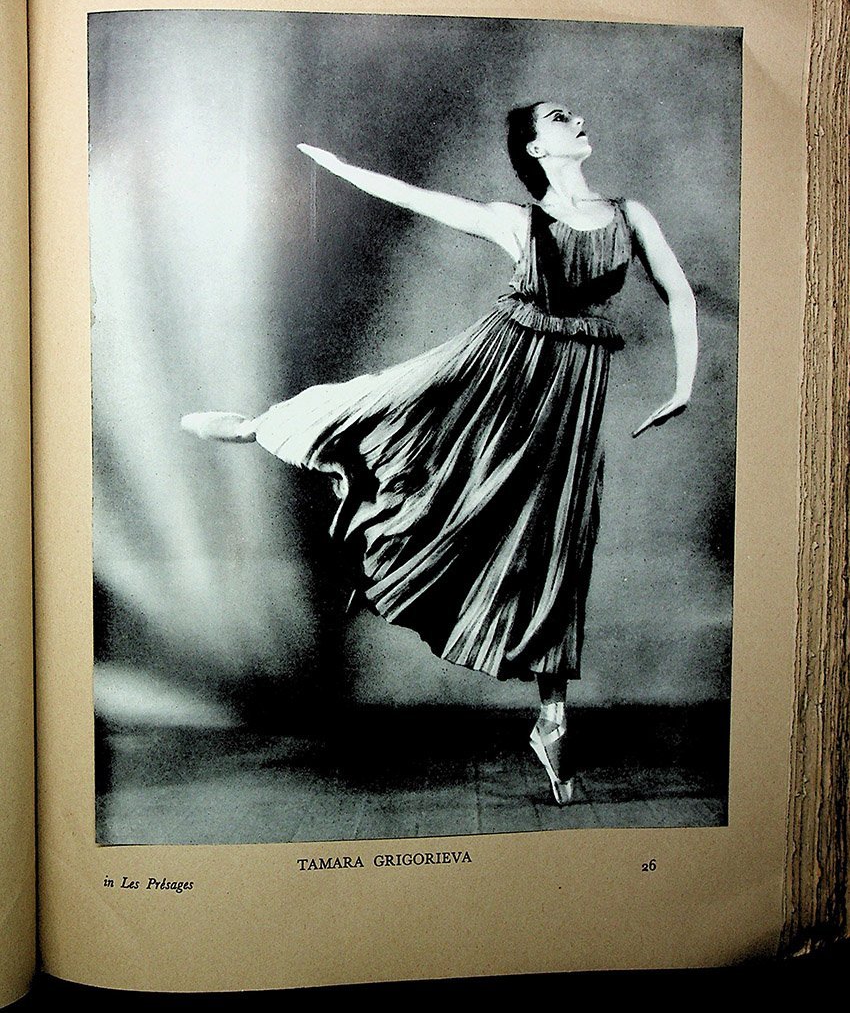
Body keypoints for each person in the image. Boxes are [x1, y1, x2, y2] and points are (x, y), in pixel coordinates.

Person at [182, 101, 698, 806]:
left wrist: (684, 385)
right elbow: (418, 198)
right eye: (558, 118)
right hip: (496, 369)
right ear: (536, 149)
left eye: (574, 115)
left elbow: (678, 293)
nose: (577, 120)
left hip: (570, 402)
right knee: (394, 406)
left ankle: (552, 720)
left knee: (555, 544)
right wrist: (340, 169)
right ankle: (263, 429)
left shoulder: (628, 214)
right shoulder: (519, 222)